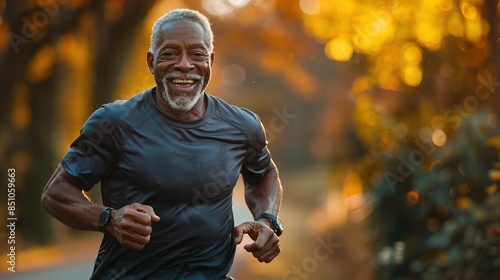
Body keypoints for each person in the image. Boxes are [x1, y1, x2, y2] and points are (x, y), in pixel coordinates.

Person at [41, 8, 284, 280]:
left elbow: (263, 173)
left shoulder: (242, 126)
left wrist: (267, 220)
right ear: (151, 62)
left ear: (211, 61)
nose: (184, 65)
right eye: (169, 54)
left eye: (197, 54)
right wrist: (109, 219)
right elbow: (55, 194)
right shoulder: (115, 122)